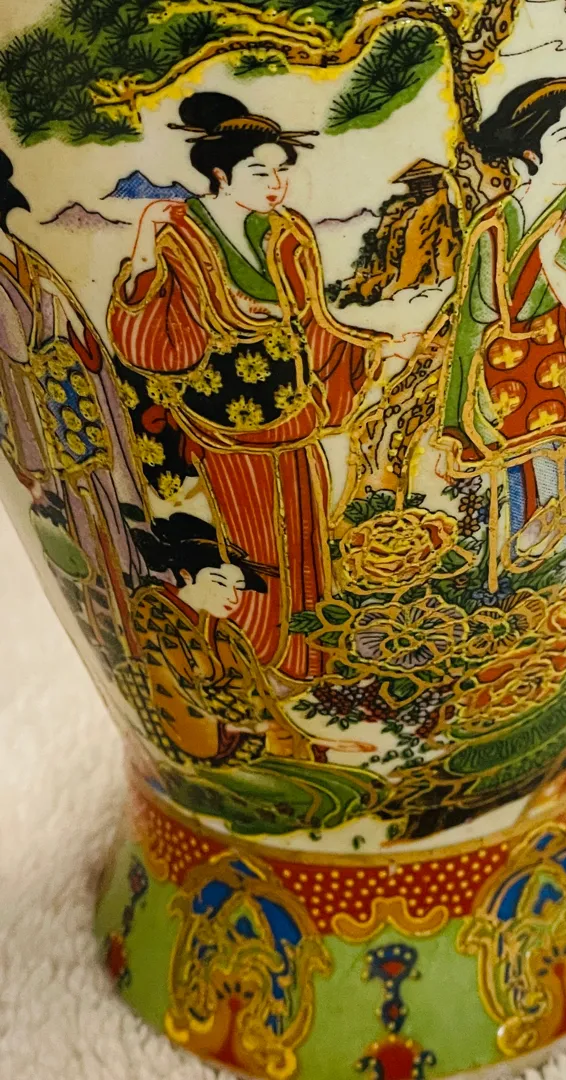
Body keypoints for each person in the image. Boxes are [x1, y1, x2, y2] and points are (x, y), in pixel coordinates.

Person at [109, 93, 393, 685]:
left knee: (307, 534)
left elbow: (315, 324)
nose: (277, 184)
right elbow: (151, 342)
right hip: (225, 424)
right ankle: (253, 654)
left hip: (294, 412)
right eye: (261, 172)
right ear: (220, 173)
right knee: (253, 540)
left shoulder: (286, 233)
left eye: (281, 170)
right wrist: (143, 247)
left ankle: (310, 656)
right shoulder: (182, 236)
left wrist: (372, 348)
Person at [441, 77, 566, 559]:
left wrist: (550, 260)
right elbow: (471, 325)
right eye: (565, 135)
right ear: (531, 154)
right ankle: (530, 567)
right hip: (507, 382)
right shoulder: (494, 224)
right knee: (525, 498)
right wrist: (458, 417)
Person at [0, 148, 144, 657]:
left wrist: (83, 350)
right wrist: (30, 463)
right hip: (42, 431)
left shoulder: (29, 261)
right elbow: (15, 363)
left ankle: (133, 609)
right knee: (80, 531)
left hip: (80, 416)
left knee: (107, 517)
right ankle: (118, 630)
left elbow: (73, 330)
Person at [129, 513, 299, 761]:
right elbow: (170, 690)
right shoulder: (154, 611)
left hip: (243, 730)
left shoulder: (223, 630)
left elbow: (257, 693)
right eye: (220, 583)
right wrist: (248, 735)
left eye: (238, 587)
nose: (233, 597)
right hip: (199, 735)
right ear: (186, 575)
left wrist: (298, 736)